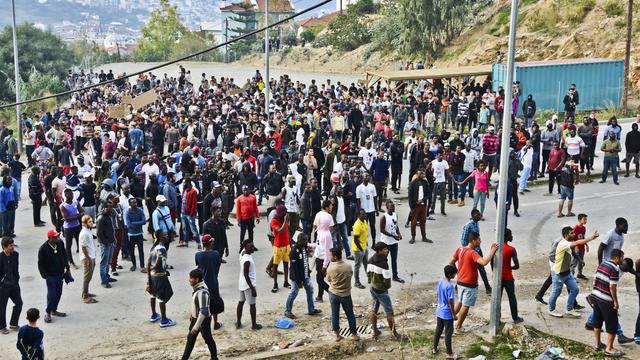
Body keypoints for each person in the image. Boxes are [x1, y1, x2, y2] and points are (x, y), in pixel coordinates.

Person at [449, 232, 498, 333]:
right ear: (473, 241)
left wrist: (458, 272)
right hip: (469, 284)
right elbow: (484, 262)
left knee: (460, 301)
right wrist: (492, 251)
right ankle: (458, 327)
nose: (480, 241)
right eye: (479, 240)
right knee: (465, 306)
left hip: (460, 282)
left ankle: (448, 321)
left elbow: (451, 262)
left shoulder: (460, 249)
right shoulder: (472, 253)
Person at [547, 226, 598, 318]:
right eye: (572, 233)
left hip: (567, 273)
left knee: (575, 289)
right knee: (556, 292)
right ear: (566, 235)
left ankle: (569, 309)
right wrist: (591, 238)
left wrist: (579, 260)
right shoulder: (564, 244)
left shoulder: (568, 243)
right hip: (558, 273)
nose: (574, 234)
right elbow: (578, 242)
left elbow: (573, 251)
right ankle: (551, 309)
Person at [590, 248, 626, 357]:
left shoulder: (602, 264)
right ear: (616, 258)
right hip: (606, 300)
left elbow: (594, 280)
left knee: (597, 320)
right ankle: (609, 348)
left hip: (596, 296)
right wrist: (615, 301)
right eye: (622, 258)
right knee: (612, 324)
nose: (622, 260)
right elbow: (612, 287)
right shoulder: (614, 268)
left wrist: (595, 292)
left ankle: (597, 344)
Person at [367, 242, 406, 341]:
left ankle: (375, 331)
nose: (387, 251)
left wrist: (372, 281)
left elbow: (368, 274)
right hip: (381, 291)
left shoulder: (370, 259)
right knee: (389, 312)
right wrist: (385, 287)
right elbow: (387, 281)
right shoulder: (383, 264)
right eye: (385, 249)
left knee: (374, 309)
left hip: (372, 287)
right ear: (379, 251)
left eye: (387, 249)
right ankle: (395, 334)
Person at [180, 269, 218, 360]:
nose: (189, 280)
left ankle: (214, 358)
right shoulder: (198, 289)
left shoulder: (202, 293)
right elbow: (197, 305)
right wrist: (192, 314)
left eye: (191, 278)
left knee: (208, 339)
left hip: (202, 321)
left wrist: (196, 327)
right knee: (191, 340)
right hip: (196, 318)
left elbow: (204, 312)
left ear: (197, 280)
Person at [37, 229, 70, 323]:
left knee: (59, 292)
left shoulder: (59, 244)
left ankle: (54, 309)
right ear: (50, 238)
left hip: (60, 273)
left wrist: (67, 268)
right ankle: (48, 312)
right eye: (55, 237)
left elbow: (64, 255)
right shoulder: (43, 249)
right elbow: (40, 263)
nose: (57, 238)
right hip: (50, 275)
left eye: (57, 236)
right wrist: (45, 275)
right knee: (51, 294)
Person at [285, 233, 321, 319]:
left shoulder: (304, 248)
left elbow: (305, 260)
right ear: (300, 241)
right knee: (294, 292)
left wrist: (308, 271)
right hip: (297, 277)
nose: (307, 242)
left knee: (310, 290)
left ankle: (311, 309)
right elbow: (294, 268)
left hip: (305, 275)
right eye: (305, 241)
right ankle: (287, 311)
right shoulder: (294, 251)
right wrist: (298, 281)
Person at [326, 248, 359, 342]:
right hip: (346, 294)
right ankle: (354, 334)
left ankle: (337, 335)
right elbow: (351, 274)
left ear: (335, 257)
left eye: (331, 255)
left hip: (334, 294)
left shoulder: (331, 268)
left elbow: (328, 279)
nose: (330, 257)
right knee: (350, 314)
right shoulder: (348, 266)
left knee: (335, 314)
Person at [146, 230, 176, 328]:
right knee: (161, 297)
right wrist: (154, 267)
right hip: (160, 276)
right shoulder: (162, 249)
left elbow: (148, 262)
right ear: (160, 237)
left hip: (152, 276)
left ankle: (154, 315)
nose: (167, 236)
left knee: (153, 295)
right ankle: (164, 320)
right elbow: (158, 262)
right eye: (165, 235)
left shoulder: (154, 247)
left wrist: (149, 276)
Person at [195, 234, 224, 330]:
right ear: (210, 243)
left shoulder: (198, 255)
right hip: (213, 282)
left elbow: (199, 267)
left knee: (203, 304)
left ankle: (202, 324)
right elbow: (217, 267)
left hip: (202, 284)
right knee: (214, 303)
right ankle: (215, 323)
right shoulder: (216, 254)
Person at [460, 209, 491, 295]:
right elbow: (463, 240)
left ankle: (487, 287)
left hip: (477, 249)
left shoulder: (476, 223)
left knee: (481, 269)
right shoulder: (468, 225)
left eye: (480, 215)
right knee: (466, 267)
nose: (480, 217)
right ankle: (459, 285)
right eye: (478, 215)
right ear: (473, 216)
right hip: (470, 250)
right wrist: (468, 249)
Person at [496, 228, 523, 323]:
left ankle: (497, 319)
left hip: (498, 278)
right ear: (506, 237)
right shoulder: (511, 249)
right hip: (508, 278)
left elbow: (492, 263)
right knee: (512, 298)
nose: (512, 236)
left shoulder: (496, 248)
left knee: (497, 298)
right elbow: (517, 266)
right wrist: (509, 267)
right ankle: (515, 318)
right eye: (510, 235)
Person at [432, 265, 457, 359]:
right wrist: (454, 314)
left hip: (439, 310)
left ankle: (434, 348)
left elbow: (438, 293)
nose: (455, 274)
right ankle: (449, 353)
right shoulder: (450, 286)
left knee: (438, 330)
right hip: (447, 313)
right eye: (455, 273)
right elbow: (450, 301)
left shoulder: (440, 281)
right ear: (450, 275)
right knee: (448, 333)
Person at [236, 240, 261, 330]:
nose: (252, 248)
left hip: (241, 283)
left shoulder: (242, 252)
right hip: (248, 284)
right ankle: (254, 325)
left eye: (253, 246)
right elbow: (246, 275)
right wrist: (253, 289)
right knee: (252, 305)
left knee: (241, 302)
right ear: (246, 248)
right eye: (250, 247)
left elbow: (247, 246)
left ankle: (238, 322)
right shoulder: (247, 260)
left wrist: (252, 247)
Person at [0, 237, 22, 333]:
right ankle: (2, 326)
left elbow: (15, 268)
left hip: (14, 284)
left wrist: (16, 279)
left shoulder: (15, 255)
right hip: (3, 287)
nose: (12, 247)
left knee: (19, 303)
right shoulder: (0, 258)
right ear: (4, 247)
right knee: (2, 307)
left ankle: (13, 323)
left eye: (13, 245)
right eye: (10, 246)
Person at [379, 200, 404, 283]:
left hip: (394, 242)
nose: (393, 208)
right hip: (386, 242)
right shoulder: (384, 217)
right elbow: (382, 230)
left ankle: (395, 276)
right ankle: (382, 276)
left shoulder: (395, 215)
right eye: (391, 206)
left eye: (394, 206)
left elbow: (396, 226)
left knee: (394, 260)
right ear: (387, 207)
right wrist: (393, 236)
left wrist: (399, 234)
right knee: (384, 260)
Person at [60, 188, 84, 269]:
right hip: (68, 228)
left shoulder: (76, 202)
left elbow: (82, 211)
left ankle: (83, 259)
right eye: (70, 194)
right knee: (68, 245)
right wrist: (78, 216)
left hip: (77, 226)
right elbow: (67, 219)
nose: (72, 195)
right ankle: (71, 262)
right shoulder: (63, 206)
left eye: (72, 194)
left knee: (81, 242)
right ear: (66, 195)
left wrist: (72, 217)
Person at [96, 198, 117, 288]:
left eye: (112, 206)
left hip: (111, 242)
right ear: (104, 207)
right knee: (104, 262)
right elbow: (99, 234)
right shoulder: (101, 218)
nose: (112, 208)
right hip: (105, 244)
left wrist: (114, 239)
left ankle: (107, 276)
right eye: (110, 207)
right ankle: (104, 281)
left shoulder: (109, 215)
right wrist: (106, 243)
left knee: (108, 261)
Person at [270, 204, 291, 293]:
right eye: (284, 212)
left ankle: (286, 281)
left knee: (286, 264)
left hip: (286, 245)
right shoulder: (274, 221)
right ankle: (275, 284)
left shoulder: (284, 219)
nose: (286, 213)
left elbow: (287, 230)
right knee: (275, 265)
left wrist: (290, 241)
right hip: (278, 246)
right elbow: (279, 231)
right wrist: (285, 221)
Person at [408, 169, 431, 243]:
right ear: (417, 174)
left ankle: (424, 237)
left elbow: (429, 194)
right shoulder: (413, 183)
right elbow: (410, 196)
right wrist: (411, 207)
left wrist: (423, 200)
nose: (422, 175)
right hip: (415, 206)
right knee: (413, 222)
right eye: (421, 173)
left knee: (423, 221)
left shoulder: (425, 182)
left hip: (423, 205)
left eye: (423, 174)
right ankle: (413, 237)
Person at [124, 197, 147, 272]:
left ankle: (142, 266)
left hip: (139, 233)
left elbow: (144, 221)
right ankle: (134, 265)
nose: (135, 204)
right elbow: (128, 225)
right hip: (131, 235)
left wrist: (134, 223)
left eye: (136, 202)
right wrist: (138, 223)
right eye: (133, 203)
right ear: (130, 204)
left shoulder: (140, 210)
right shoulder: (127, 212)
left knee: (141, 251)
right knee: (131, 251)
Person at [79, 215, 97, 304]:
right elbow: (83, 248)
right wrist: (89, 259)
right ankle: (85, 296)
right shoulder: (84, 233)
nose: (92, 223)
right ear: (85, 223)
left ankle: (86, 292)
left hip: (91, 256)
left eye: (92, 221)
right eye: (89, 222)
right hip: (88, 258)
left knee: (89, 276)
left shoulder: (88, 230)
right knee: (87, 277)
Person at [355, 173, 378, 246]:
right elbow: (358, 200)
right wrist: (359, 211)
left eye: (368, 176)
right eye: (366, 176)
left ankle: (374, 242)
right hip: (364, 212)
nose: (368, 177)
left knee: (373, 226)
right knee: (365, 228)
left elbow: (375, 198)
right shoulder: (359, 188)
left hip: (371, 210)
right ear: (362, 178)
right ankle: (365, 241)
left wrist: (376, 209)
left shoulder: (372, 186)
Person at [235, 185, 260, 250]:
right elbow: (238, 210)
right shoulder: (239, 198)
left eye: (247, 190)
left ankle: (251, 245)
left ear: (249, 190)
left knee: (251, 232)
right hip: (243, 219)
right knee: (242, 233)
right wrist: (238, 220)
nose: (245, 192)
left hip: (251, 218)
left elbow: (255, 208)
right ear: (242, 191)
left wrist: (257, 217)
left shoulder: (253, 197)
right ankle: (241, 246)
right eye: (244, 190)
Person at [351, 209, 369, 289]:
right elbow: (355, 239)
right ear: (358, 216)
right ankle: (357, 282)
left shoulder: (364, 221)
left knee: (366, 264)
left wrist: (366, 243)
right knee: (357, 266)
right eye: (362, 214)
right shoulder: (357, 225)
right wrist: (361, 249)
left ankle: (369, 278)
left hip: (364, 246)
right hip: (358, 249)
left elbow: (365, 233)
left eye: (365, 214)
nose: (365, 215)